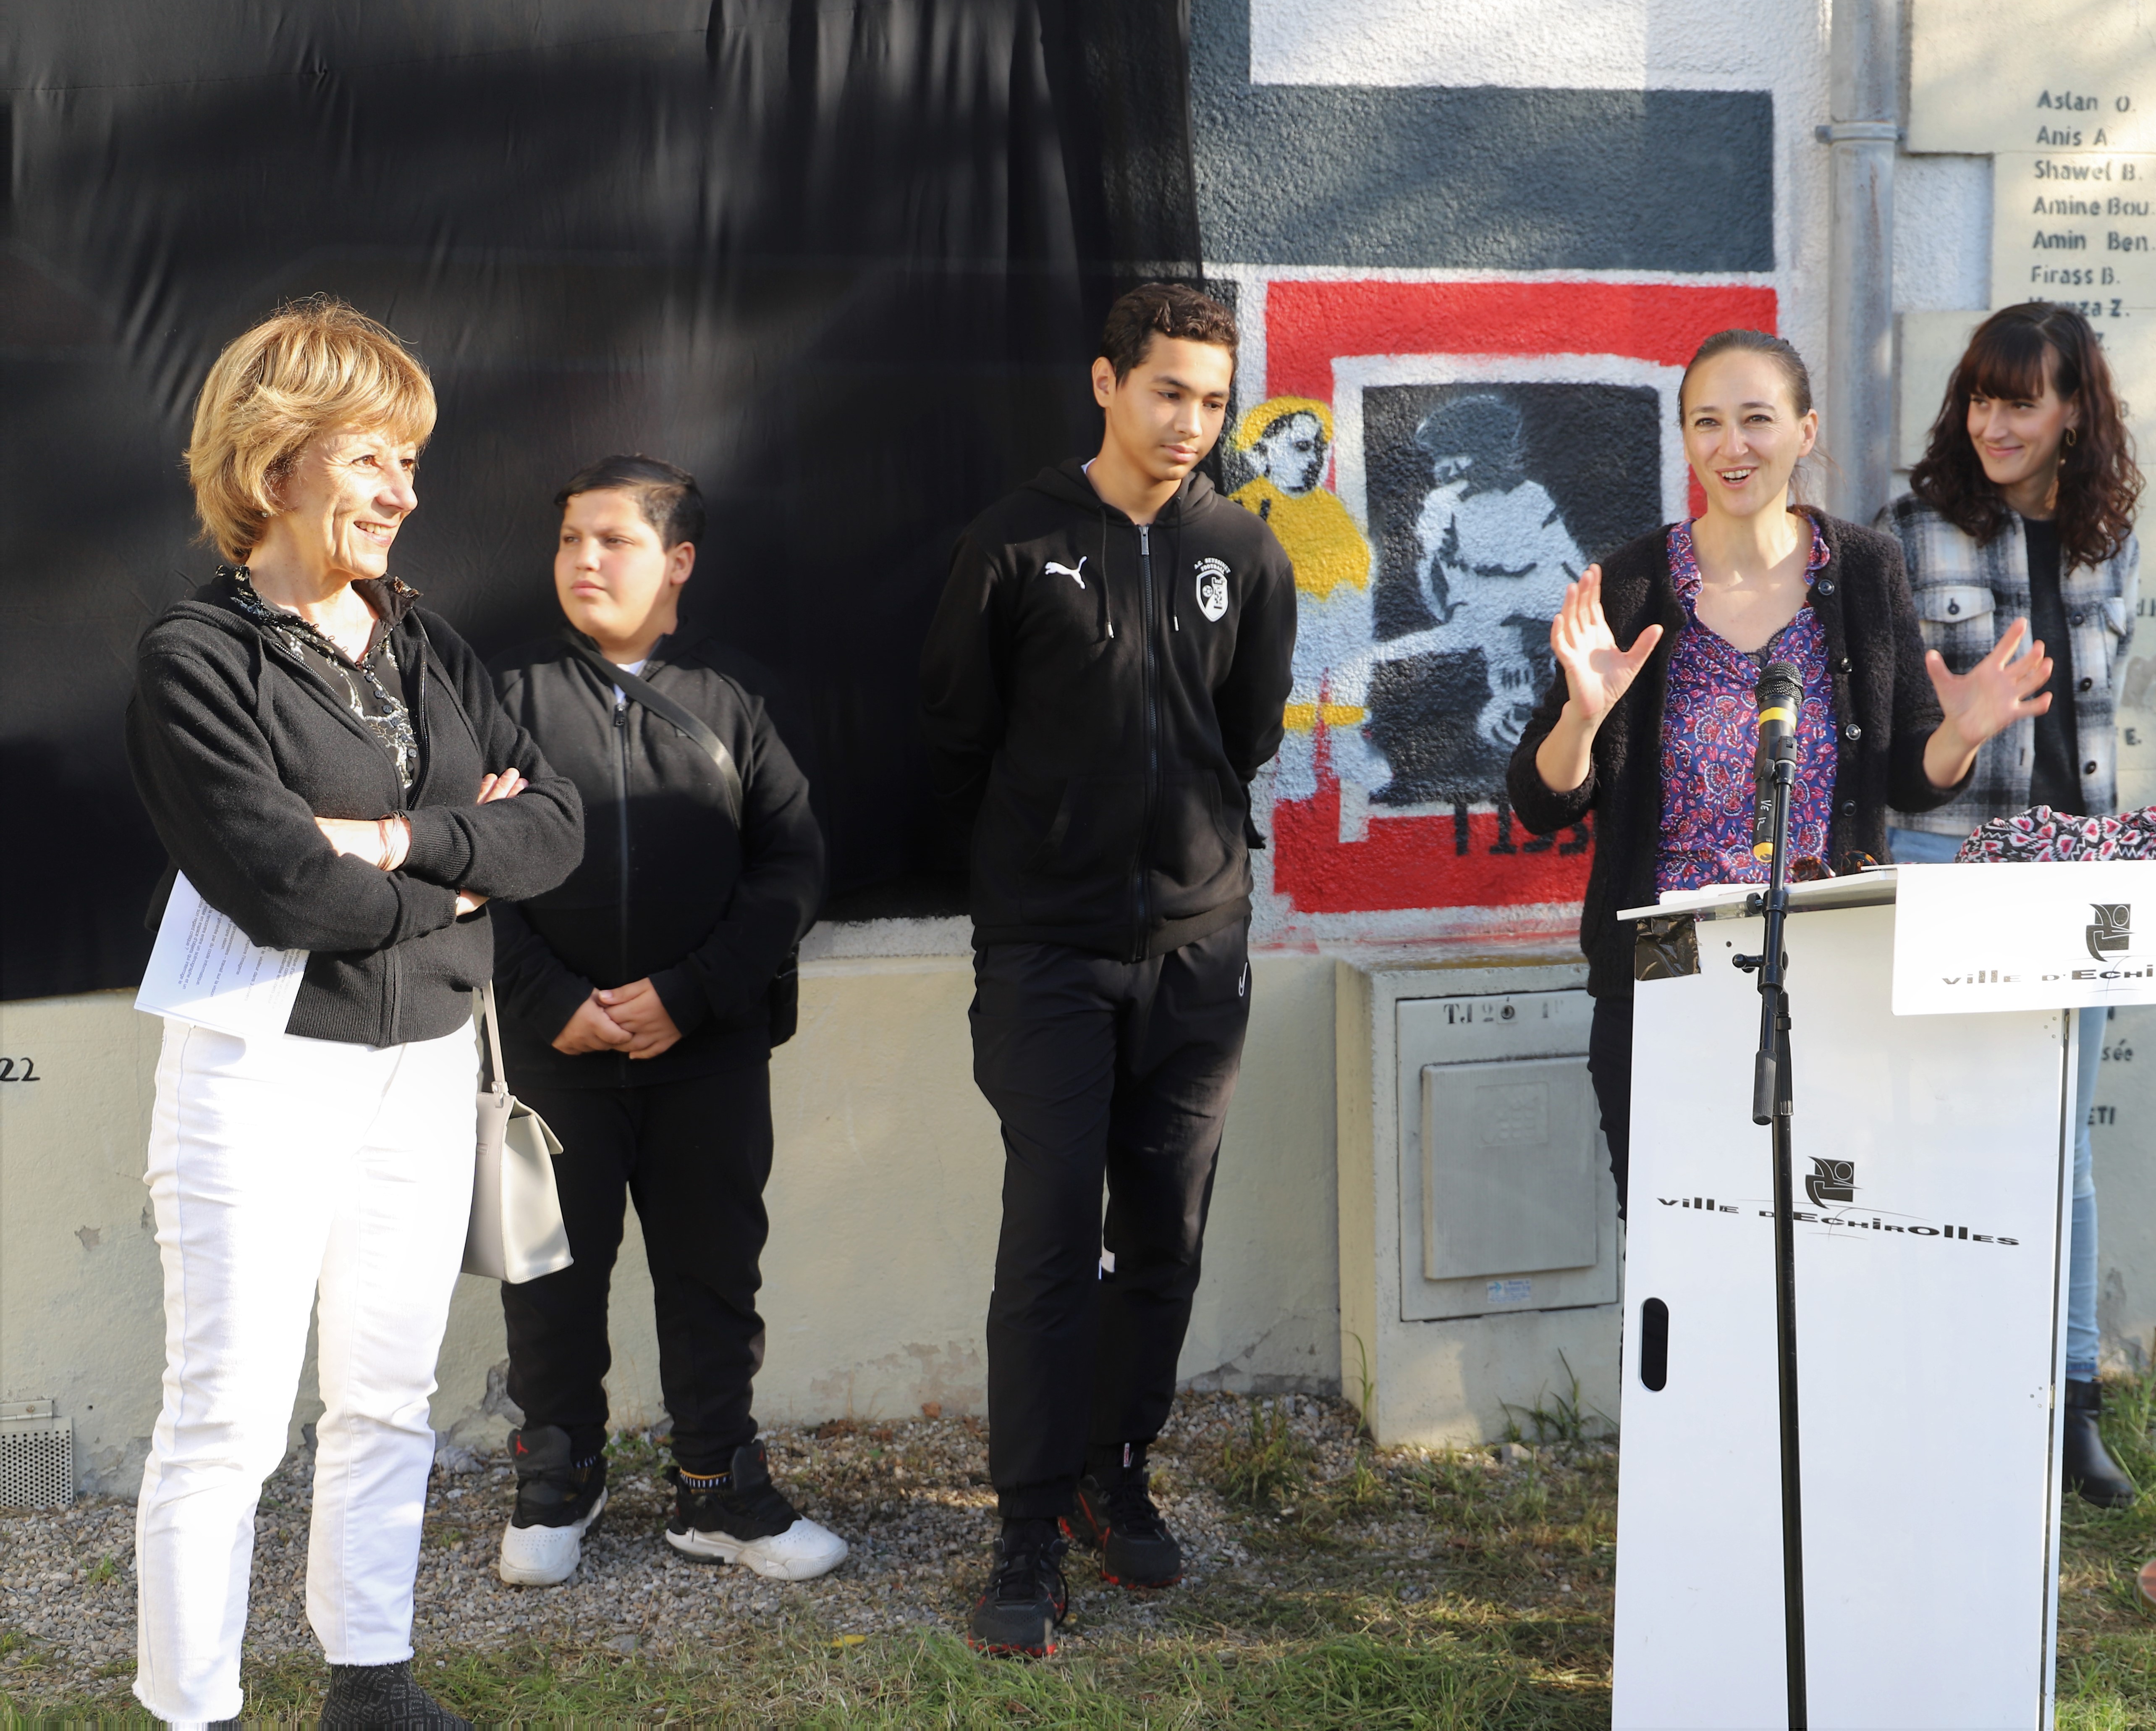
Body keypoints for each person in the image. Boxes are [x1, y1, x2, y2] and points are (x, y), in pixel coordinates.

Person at [124, 296, 584, 1728]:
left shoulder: (426, 645)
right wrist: (460, 868)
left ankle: (368, 1685)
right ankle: (194, 1710)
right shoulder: (196, 661)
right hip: (261, 1068)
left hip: (427, 1065)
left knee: (386, 1393)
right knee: (229, 1423)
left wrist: (392, 847)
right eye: (376, 457)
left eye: (411, 461)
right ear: (276, 464)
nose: (407, 489)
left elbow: (554, 822)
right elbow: (282, 891)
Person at [920, 283, 1295, 1657]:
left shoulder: (1244, 554)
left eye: (1212, 398)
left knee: (1167, 1240)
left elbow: (1241, 735)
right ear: (1105, 383)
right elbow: (957, 734)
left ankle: (1109, 1467)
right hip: (1049, 959)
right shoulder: (1015, 541)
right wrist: (1051, 860)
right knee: (1049, 1240)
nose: (1191, 422)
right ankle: (1023, 1528)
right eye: (1167, 392)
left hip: (1200, 954)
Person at [1504, 327, 2054, 1220]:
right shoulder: (1632, 586)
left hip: (1827, 974)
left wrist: (1962, 731)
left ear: (1804, 432)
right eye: (1708, 423)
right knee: (1677, 1246)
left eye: (1757, 419)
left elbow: (1910, 776)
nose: (1733, 446)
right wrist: (1584, 714)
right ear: (1685, 439)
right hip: (1660, 979)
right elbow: (1543, 799)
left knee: (1822, 1238)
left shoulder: (1866, 568)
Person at [484, 456, 839, 1584]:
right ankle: (557, 1478)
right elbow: (464, 870)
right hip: (557, 1059)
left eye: (615, 541)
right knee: (548, 1280)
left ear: (677, 560)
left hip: (710, 1056)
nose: (585, 561)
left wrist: (688, 995)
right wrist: (552, 1005)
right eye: (569, 542)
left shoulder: (741, 699)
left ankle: (715, 1493)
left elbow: (793, 867)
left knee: (713, 1274)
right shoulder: (504, 703)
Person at [1879, 301, 2146, 1508]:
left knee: (2060, 1145)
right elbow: (1896, 742)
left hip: (2073, 873)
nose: (1994, 421)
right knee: (1935, 1129)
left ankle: (2072, 1404)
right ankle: (1934, 1386)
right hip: (1945, 857)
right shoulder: (1910, 532)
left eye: (2021, 400)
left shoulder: (2112, 537)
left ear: (2073, 409)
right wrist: (1960, 725)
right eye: (1981, 397)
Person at [1227, 398, 1386, 800]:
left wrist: (1355, 605)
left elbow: (1357, 557)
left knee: (1350, 686)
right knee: (1293, 691)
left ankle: (1347, 751)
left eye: (1318, 446)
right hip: (1287, 622)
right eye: (1301, 447)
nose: (1314, 457)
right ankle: (1296, 766)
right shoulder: (1247, 507)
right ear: (1261, 453)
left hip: (1339, 619)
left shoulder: (1328, 506)